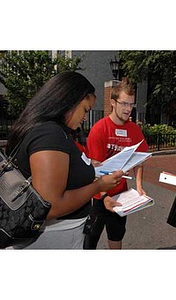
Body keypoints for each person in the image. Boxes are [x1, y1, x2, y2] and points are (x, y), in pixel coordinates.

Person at [7, 71, 123, 249]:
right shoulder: (50, 135)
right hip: (52, 240)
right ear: (69, 101)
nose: (85, 118)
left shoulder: (47, 130)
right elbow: (50, 205)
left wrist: (88, 165)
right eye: (85, 110)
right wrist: (99, 186)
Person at [83, 77, 149, 250]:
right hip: (98, 196)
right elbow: (95, 168)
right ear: (113, 102)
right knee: (90, 240)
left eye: (131, 104)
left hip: (121, 196)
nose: (128, 109)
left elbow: (140, 160)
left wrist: (139, 186)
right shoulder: (100, 129)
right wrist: (104, 196)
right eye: (124, 104)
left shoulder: (134, 129)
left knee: (117, 236)